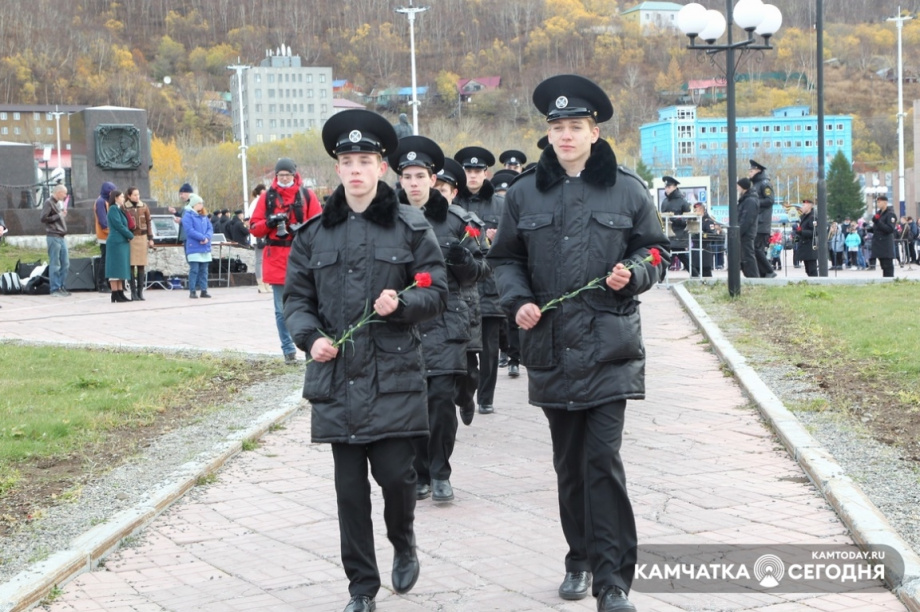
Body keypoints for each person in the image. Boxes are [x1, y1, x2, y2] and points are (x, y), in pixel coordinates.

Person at [488, 74, 669, 612]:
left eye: (576, 126)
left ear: (594, 132)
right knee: (568, 464)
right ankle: (579, 558)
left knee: (602, 461)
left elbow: (657, 253)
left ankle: (614, 581)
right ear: (548, 135)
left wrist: (633, 273)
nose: (565, 135)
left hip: (610, 347)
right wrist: (516, 301)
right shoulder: (523, 193)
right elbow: (504, 259)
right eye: (557, 127)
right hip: (550, 348)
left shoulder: (628, 189)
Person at [283, 109, 448, 612]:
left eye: (366, 161)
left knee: (398, 478)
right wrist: (309, 339)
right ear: (337, 169)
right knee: (349, 493)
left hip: (393, 376)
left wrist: (403, 305)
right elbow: (296, 299)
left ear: (382, 168)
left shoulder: (409, 226)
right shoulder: (313, 234)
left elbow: (436, 291)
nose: (356, 170)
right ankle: (361, 587)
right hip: (337, 381)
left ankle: (403, 539)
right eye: (348, 161)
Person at [390, 135, 487, 504]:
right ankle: (419, 472)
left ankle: (440, 470)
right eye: (407, 176)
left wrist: (465, 263)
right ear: (399, 180)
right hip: (402, 324)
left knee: (441, 400)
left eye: (421, 176)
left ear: (434, 179)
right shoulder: (384, 219)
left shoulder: (458, 222)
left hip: (447, 324)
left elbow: (482, 270)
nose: (414, 183)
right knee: (411, 401)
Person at [250, 157, 322, 364]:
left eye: (287, 175)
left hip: (303, 257)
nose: (283, 179)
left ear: (294, 175)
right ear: (276, 176)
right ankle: (288, 349)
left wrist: (301, 228)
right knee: (282, 309)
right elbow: (254, 227)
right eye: (280, 175)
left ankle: (310, 344)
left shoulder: (306, 195)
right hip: (277, 258)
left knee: (311, 303)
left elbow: (319, 223)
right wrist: (270, 222)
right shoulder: (266, 198)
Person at [453, 145, 503, 414]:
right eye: (468, 170)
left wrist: (498, 239)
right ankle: (464, 393)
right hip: (461, 286)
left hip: (490, 286)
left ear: (486, 173)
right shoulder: (453, 203)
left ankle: (486, 398)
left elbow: (513, 244)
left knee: (489, 349)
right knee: (462, 346)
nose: (472, 175)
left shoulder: (500, 205)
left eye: (477, 170)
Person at [437, 158, 483, 427]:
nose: (438, 195)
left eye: (444, 190)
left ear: (454, 193)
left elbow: (484, 267)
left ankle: (466, 398)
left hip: (461, 307)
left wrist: (463, 259)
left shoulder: (465, 222)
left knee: (468, 371)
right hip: (428, 309)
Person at [41, 183, 71, 297]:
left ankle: (61, 286)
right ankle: (54, 288)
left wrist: (61, 215)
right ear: (59, 192)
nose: (65, 195)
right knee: (55, 263)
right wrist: (59, 215)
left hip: (61, 236)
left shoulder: (58, 203)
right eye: (64, 193)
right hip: (53, 236)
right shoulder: (49, 202)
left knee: (65, 263)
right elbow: (43, 218)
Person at [105, 190, 134, 302]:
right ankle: (115, 293)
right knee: (114, 268)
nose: (123, 199)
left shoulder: (119, 209)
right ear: (116, 198)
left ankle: (120, 292)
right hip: (116, 242)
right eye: (121, 197)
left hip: (121, 242)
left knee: (121, 268)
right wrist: (130, 235)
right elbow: (118, 225)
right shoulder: (113, 209)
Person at [749, 159, 777, 278]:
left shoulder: (765, 183)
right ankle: (763, 273)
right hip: (757, 221)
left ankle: (769, 271)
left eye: (751, 170)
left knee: (756, 248)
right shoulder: (756, 184)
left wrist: (754, 202)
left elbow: (770, 200)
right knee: (754, 249)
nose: (749, 173)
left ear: (757, 170)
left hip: (762, 222)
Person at [124, 187, 153, 301]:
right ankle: (133, 292)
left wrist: (150, 238)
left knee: (141, 265)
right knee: (131, 265)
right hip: (131, 238)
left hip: (142, 237)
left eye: (138, 194)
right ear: (129, 196)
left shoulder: (144, 206)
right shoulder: (125, 207)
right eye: (135, 195)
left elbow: (148, 222)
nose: (137, 197)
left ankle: (140, 292)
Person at [182, 195, 214, 298]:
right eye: (199, 203)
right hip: (194, 246)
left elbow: (210, 228)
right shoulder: (188, 216)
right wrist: (202, 238)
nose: (201, 205)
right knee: (194, 269)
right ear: (194, 204)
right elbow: (190, 231)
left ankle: (204, 290)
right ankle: (192, 290)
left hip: (205, 246)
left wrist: (207, 237)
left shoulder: (203, 216)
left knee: (204, 270)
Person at [660, 176, 692, 274]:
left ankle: (661, 276)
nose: (667, 189)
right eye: (666, 187)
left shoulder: (682, 201)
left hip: (679, 234)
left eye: (669, 187)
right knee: (676, 255)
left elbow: (689, 218)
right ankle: (695, 274)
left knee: (673, 255)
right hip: (668, 234)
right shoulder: (665, 201)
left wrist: (676, 220)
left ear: (675, 187)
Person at [246, 184, 271, 293]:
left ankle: (266, 282)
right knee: (260, 259)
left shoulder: (263, 201)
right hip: (259, 234)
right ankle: (260, 283)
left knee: (266, 259)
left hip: (266, 233)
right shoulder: (256, 202)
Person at [93, 181, 116, 292]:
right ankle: (101, 284)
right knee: (105, 260)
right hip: (105, 236)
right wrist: (111, 231)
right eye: (111, 191)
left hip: (109, 235)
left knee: (108, 260)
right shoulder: (101, 201)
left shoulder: (106, 201)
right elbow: (103, 221)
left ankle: (107, 282)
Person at [737, 177, 760, 278]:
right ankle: (750, 277)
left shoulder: (750, 200)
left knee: (748, 257)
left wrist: (738, 232)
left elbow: (747, 219)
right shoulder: (745, 199)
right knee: (743, 258)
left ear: (743, 187)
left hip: (747, 233)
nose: (737, 189)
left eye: (738, 186)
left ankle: (754, 278)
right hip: (743, 233)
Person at [870, 195, 897, 277]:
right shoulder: (879, 213)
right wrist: (868, 229)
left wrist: (878, 222)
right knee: (883, 266)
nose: (878, 204)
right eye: (877, 202)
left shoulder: (890, 214)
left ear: (885, 203)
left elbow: (889, 229)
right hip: (878, 243)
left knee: (887, 266)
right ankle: (885, 282)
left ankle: (889, 282)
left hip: (885, 244)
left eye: (879, 202)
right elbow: (877, 228)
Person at [692, 202, 720, 277]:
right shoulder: (694, 220)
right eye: (695, 210)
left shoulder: (708, 221)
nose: (696, 212)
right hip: (695, 248)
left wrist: (702, 234)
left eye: (697, 210)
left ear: (703, 210)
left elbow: (712, 235)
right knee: (694, 271)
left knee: (706, 272)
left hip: (705, 249)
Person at [793, 199, 819, 277]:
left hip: (810, 246)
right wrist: (795, 240)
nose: (802, 207)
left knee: (812, 269)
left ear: (810, 206)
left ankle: (815, 284)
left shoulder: (812, 217)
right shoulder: (804, 217)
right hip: (804, 246)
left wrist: (801, 232)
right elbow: (800, 232)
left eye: (804, 205)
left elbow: (814, 232)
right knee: (807, 269)